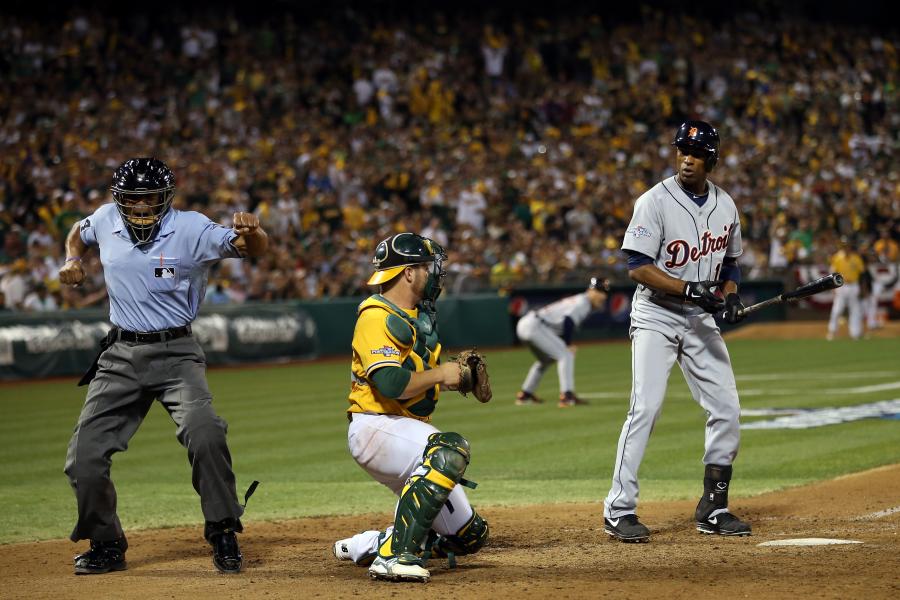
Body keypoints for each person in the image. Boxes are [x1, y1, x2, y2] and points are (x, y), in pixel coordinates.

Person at [58, 158, 268, 575]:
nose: (139, 207)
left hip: (177, 353)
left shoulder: (191, 227)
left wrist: (254, 232)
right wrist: (70, 259)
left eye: (149, 198)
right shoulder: (104, 219)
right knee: (83, 457)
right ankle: (106, 543)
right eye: (131, 200)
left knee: (205, 432)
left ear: (166, 198)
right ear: (118, 200)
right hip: (120, 355)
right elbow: (77, 234)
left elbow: (248, 250)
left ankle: (223, 529)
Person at [602, 120, 751, 543]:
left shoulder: (726, 205)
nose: (688, 158)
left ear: (712, 159)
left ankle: (714, 506)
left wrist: (732, 294)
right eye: (683, 150)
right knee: (645, 408)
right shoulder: (654, 201)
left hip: (700, 318)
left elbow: (730, 263)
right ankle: (619, 509)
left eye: (697, 152)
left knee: (727, 408)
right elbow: (637, 267)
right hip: (656, 314)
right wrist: (688, 287)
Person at [331, 232, 489, 583]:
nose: (435, 274)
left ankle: (372, 543)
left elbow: (416, 383)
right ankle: (392, 557)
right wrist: (440, 373)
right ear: (408, 273)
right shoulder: (376, 316)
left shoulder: (418, 316)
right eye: (428, 267)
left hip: (402, 429)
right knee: (449, 449)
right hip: (375, 427)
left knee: (469, 536)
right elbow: (390, 384)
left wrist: (456, 379)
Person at [514, 277, 609, 407]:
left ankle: (525, 395)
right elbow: (568, 321)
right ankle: (567, 396)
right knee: (566, 354)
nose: (602, 296)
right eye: (599, 291)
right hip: (535, 326)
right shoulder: (583, 302)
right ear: (590, 290)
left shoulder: (580, 300)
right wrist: (568, 344)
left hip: (528, 324)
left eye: (604, 293)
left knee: (546, 360)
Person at [826, 236, 864, 340]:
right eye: (844, 245)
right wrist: (833, 288)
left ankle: (855, 333)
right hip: (841, 285)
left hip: (854, 285)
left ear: (850, 247)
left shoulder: (856, 258)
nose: (846, 248)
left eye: (847, 245)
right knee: (837, 309)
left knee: (855, 310)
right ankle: (832, 331)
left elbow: (862, 274)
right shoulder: (837, 258)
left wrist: (863, 288)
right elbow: (832, 274)